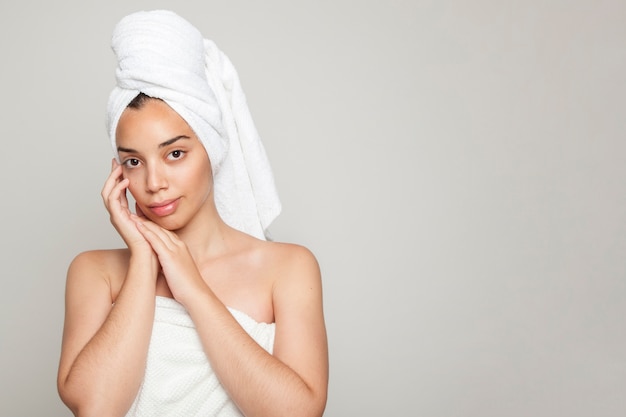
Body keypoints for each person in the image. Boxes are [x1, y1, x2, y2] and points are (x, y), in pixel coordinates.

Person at [57, 10, 328, 417]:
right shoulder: (95, 273)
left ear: (212, 150)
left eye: (175, 154)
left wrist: (194, 291)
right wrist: (145, 262)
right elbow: (97, 408)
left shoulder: (288, 268)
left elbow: (297, 413)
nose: (153, 182)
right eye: (133, 162)